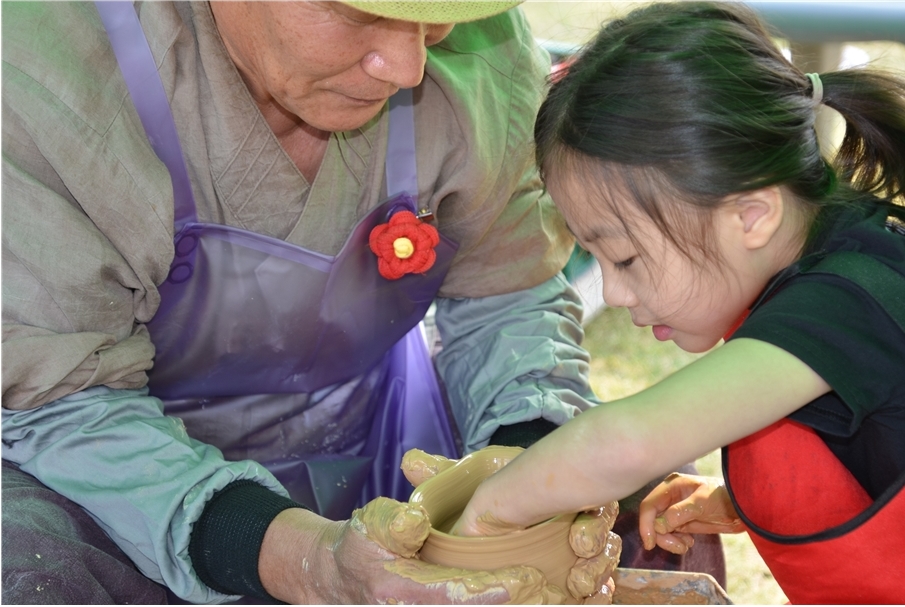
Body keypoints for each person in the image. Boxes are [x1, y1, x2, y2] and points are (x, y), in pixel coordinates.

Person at [0, 1, 725, 604]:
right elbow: (62, 397)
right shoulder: (41, 68)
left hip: (383, 441)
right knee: (28, 571)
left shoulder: (482, 41)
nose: (406, 66)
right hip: (109, 470)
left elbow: (505, 294)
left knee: (651, 531)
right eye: (359, 12)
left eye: (432, 20)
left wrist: (529, 470)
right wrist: (300, 558)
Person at [452, 1, 905, 603]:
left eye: (626, 258)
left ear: (751, 216)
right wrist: (735, 502)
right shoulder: (815, 264)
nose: (613, 292)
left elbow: (624, 444)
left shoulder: (853, 299)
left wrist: (484, 519)